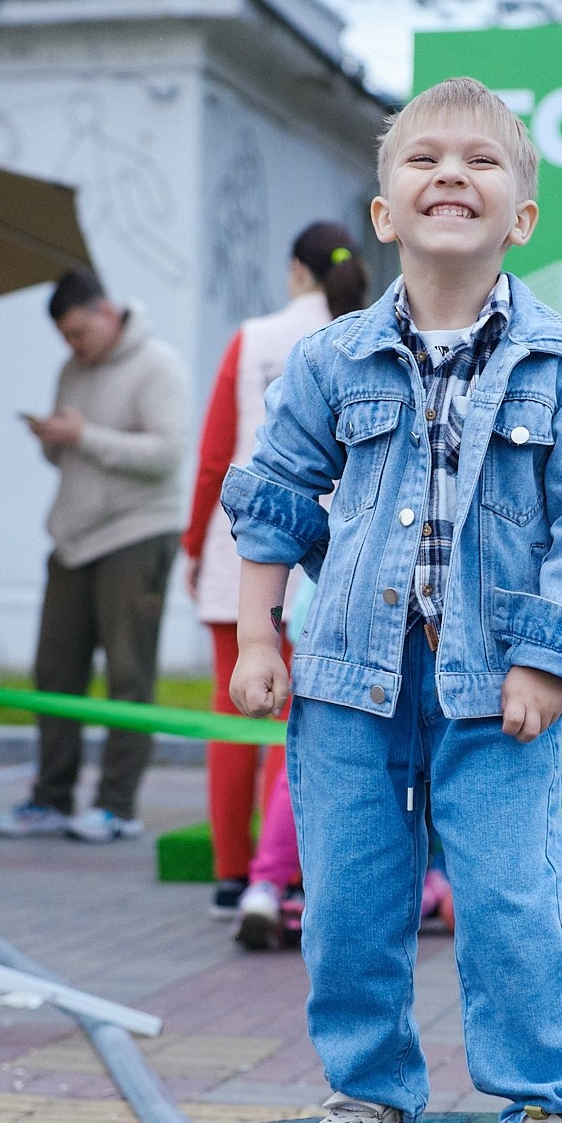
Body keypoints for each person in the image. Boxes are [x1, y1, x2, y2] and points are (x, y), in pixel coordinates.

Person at [225, 76, 562, 1123]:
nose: (451, 173)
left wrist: (548, 658)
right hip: (348, 682)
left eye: (482, 162)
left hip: (495, 688)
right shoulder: (330, 358)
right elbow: (272, 494)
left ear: (523, 217)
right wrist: (259, 633)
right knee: (349, 900)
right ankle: (373, 1101)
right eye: (424, 160)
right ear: (384, 211)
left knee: (507, 903)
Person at [184, 221, 369, 916]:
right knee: (299, 709)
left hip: (245, 548)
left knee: (234, 705)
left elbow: (213, 459)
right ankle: (283, 872)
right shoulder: (362, 334)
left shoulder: (252, 337)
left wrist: (194, 542)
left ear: (296, 270)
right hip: (335, 554)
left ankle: (235, 871)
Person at [0, 268, 189, 843]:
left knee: (128, 675)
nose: (74, 346)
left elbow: (168, 454)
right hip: (72, 541)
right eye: (65, 338)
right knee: (54, 673)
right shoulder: (71, 371)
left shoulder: (158, 365)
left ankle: (116, 805)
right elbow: (71, 460)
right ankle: (50, 798)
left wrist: (84, 437)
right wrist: (57, 441)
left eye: (79, 332)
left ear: (106, 311)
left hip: (135, 536)